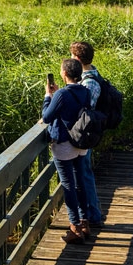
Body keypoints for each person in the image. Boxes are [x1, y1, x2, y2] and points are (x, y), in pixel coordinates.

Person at [42, 58, 90, 244]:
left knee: (68, 184)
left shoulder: (61, 94)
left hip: (64, 143)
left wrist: (48, 96)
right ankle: (84, 223)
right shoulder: (85, 91)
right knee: (79, 182)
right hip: (81, 142)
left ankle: (75, 227)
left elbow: (47, 117)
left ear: (64, 73)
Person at [70, 41, 105, 228]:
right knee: (83, 173)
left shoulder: (89, 81)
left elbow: (85, 109)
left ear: (76, 58)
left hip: (85, 134)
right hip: (85, 132)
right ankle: (90, 212)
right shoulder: (89, 76)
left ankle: (93, 214)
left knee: (84, 174)